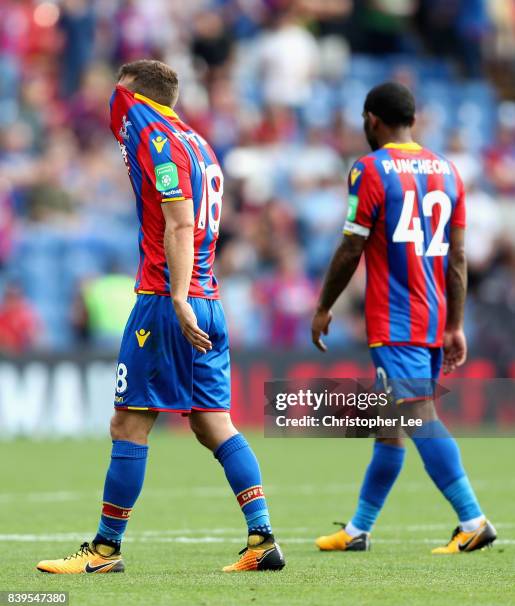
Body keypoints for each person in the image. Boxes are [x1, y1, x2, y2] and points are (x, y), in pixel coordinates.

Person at [37, 59, 285, 574]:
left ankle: (105, 550)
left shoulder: (159, 138)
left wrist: (175, 297)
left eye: (119, 91)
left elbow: (179, 222)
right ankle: (262, 539)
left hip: (168, 300)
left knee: (128, 423)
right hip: (211, 300)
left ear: (133, 92)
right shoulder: (196, 140)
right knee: (213, 422)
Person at [311, 82, 496, 554]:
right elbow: (457, 258)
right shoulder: (450, 172)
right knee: (389, 425)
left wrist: (324, 305)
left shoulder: (370, 170)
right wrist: (454, 324)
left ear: (371, 119)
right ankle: (358, 530)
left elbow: (352, 243)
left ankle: (472, 518)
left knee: (416, 417)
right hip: (433, 319)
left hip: (396, 322)